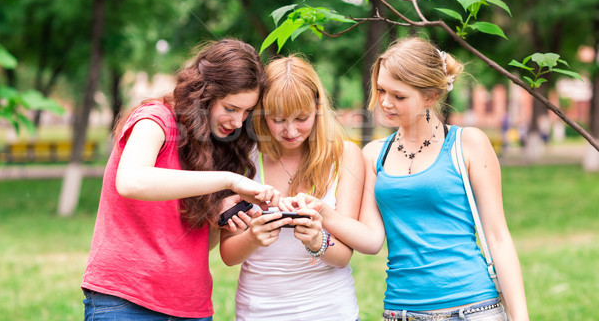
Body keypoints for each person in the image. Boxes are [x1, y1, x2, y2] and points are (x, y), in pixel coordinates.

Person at [285, 37, 529, 321]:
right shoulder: (375, 154)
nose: (386, 103)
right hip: (402, 312)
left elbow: (498, 237)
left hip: (473, 309)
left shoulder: (469, 143)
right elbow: (372, 240)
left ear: (430, 96)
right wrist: (322, 212)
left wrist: (520, 317)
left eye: (399, 96)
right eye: (381, 90)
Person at [81, 38, 280, 321]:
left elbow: (196, 243)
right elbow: (130, 182)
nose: (238, 122)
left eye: (247, 112)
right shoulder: (154, 119)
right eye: (231, 108)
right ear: (205, 93)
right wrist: (228, 181)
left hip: (190, 306)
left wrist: (219, 214)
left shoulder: (222, 145)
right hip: (126, 300)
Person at [219, 55, 365, 321]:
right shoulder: (244, 158)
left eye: (301, 118)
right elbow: (228, 254)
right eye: (278, 119)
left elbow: (343, 256)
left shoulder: (344, 156)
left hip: (331, 311)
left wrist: (315, 239)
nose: (290, 131)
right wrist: (253, 237)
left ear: (318, 109)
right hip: (258, 312)